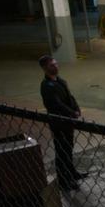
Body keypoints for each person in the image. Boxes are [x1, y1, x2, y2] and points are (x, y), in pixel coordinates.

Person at [39, 55, 86, 191]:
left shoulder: (61, 81)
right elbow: (56, 104)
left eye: (56, 64)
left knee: (68, 149)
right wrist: (72, 112)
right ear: (44, 68)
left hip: (67, 122)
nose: (55, 67)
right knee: (62, 152)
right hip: (59, 123)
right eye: (51, 65)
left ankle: (72, 173)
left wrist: (76, 108)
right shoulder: (46, 86)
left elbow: (70, 97)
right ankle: (64, 181)